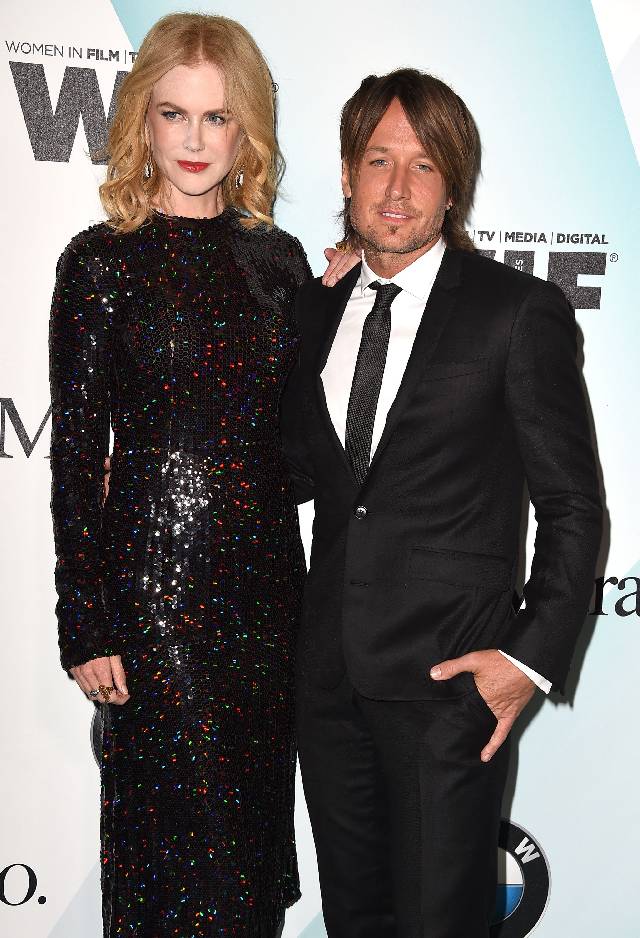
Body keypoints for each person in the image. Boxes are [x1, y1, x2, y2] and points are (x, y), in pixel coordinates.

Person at [49, 13, 354, 937]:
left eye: (216, 119)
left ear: (246, 129)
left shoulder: (279, 263)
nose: (193, 139)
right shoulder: (99, 263)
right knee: (174, 858)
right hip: (150, 602)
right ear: (143, 118)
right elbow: (73, 457)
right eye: (173, 114)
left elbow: (298, 457)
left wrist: (333, 316)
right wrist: (84, 618)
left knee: (246, 854)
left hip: (265, 595)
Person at [281, 68, 603, 938]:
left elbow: (574, 506)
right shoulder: (312, 313)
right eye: (377, 160)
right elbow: (311, 480)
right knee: (356, 920)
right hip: (327, 683)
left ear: (452, 183)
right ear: (346, 173)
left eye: (422, 165)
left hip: (449, 688)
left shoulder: (517, 311)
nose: (395, 188)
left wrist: (526, 664)